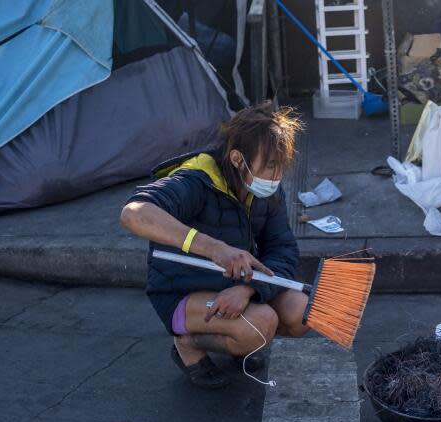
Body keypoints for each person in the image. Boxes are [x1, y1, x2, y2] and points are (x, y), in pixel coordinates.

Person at [121, 102, 308, 389]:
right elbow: (134, 213)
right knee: (260, 325)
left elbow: (283, 248)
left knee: (300, 311)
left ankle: (236, 339)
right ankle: (187, 344)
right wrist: (215, 248)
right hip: (181, 291)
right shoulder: (196, 179)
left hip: (232, 285)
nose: (277, 175)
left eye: (281, 164)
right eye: (270, 165)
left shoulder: (266, 189)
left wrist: (248, 289)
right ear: (237, 158)